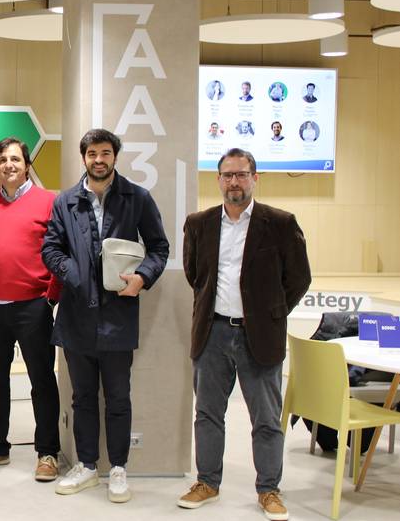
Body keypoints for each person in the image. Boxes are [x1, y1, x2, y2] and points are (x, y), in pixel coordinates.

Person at [178, 148, 310, 521]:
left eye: (241, 174)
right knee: (207, 415)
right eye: (227, 175)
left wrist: (271, 314)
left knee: (266, 419)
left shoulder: (281, 223)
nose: (234, 181)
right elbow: (195, 275)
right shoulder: (199, 223)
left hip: (260, 337)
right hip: (213, 333)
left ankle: (269, 489)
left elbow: (299, 278)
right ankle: (207, 482)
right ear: (218, 180)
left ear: (255, 178)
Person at [41, 129, 169, 503]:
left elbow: (159, 247)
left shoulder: (137, 198)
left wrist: (142, 277)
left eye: (106, 153)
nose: (99, 160)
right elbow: (50, 247)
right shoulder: (66, 201)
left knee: (118, 397)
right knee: (82, 397)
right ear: (83, 158)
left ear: (116, 156)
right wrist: (71, 272)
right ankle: (85, 465)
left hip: (119, 314)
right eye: (92, 153)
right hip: (77, 314)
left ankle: (118, 469)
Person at [0, 137, 62, 483]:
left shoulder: (48, 201)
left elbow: (61, 252)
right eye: (2, 159)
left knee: (42, 382)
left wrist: (50, 295)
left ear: (27, 163)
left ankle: (47, 452)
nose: (9, 165)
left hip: (33, 307)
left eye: (15, 158)